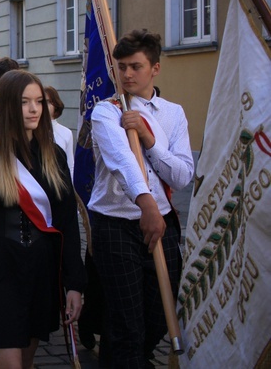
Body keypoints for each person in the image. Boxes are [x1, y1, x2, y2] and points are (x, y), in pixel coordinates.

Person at [0, 70, 86, 369]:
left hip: (41, 270)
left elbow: (66, 223)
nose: (34, 109)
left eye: (39, 101)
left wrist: (74, 284)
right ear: (9, 106)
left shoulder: (55, 156)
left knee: (25, 362)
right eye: (25, 102)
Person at [88, 29, 193, 367]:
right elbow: (121, 161)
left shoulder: (172, 113)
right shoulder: (106, 111)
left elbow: (180, 174)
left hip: (161, 222)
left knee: (160, 315)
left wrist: (149, 138)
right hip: (116, 224)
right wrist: (145, 202)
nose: (127, 74)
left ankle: (133, 357)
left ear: (155, 68)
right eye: (121, 67)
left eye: (135, 66)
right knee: (126, 320)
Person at [45, 86, 75, 175]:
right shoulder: (31, 131)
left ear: (55, 105)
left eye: (47, 102)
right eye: (40, 102)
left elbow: (70, 165)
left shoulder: (66, 133)